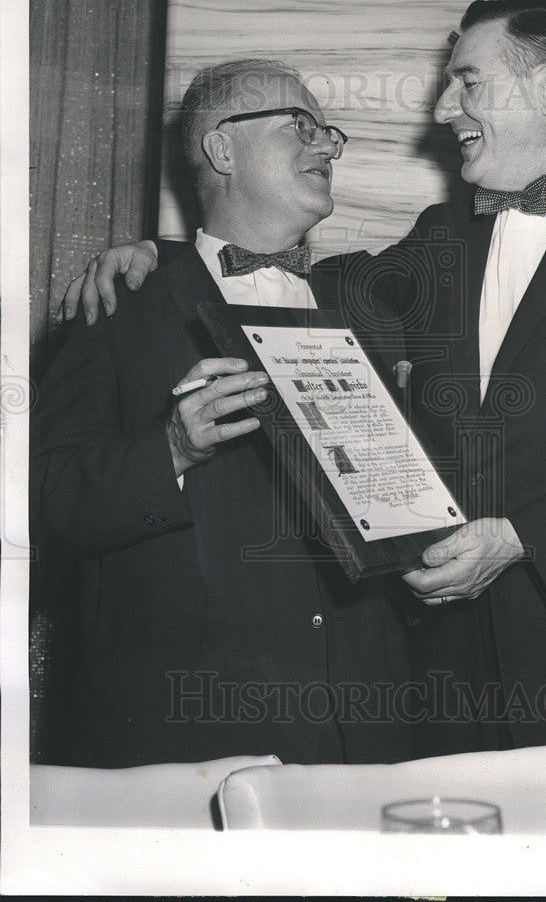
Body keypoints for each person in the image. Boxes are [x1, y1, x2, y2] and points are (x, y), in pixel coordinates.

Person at [62, 0, 546, 837]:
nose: (440, 110)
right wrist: (159, 256)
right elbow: (281, 279)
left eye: (466, 82)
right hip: (444, 700)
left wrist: (522, 537)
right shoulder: (439, 237)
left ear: (545, 88)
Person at [32, 58, 412, 768]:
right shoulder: (119, 306)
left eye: (328, 134)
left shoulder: (369, 306)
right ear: (221, 149)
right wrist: (169, 448)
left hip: (359, 734)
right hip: (183, 740)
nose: (326, 147)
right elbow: (46, 505)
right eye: (299, 128)